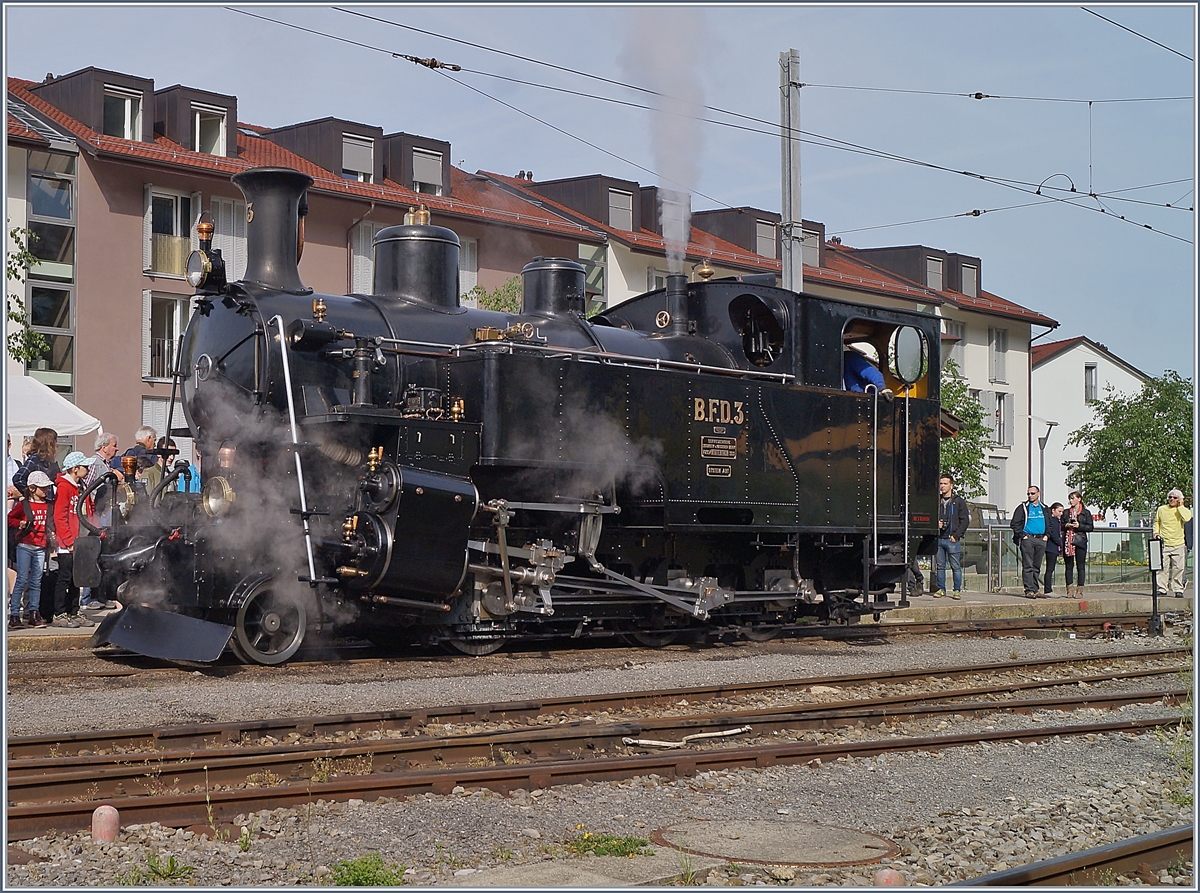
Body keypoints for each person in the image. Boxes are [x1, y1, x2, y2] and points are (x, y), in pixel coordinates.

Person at [50, 452, 98, 629]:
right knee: (65, 578)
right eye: (85, 466)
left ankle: (73, 610)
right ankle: (59, 612)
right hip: (68, 544)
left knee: (76, 579)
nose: (87, 469)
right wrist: (68, 541)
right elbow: (60, 516)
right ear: (75, 468)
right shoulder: (64, 487)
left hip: (80, 540)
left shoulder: (80, 485)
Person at [7, 470, 53, 629]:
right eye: (43, 487)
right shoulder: (24, 504)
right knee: (22, 580)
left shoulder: (48, 505)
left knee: (36, 581)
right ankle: (14, 614)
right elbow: (9, 518)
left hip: (41, 547)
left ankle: (34, 612)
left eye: (47, 487)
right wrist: (19, 523)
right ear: (32, 488)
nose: (46, 490)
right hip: (25, 545)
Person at [933, 473, 969, 599]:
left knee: (955, 566)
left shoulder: (958, 502)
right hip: (939, 538)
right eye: (941, 484)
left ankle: (956, 590)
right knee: (940, 566)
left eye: (945, 484)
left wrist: (957, 535)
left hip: (952, 539)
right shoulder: (937, 501)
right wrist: (935, 524)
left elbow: (964, 520)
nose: (942, 486)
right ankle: (941, 589)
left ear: (951, 486)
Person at [1010, 485, 1050, 598]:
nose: (1030, 496)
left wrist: (1047, 535)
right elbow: (1014, 523)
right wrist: (1022, 536)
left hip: (1041, 539)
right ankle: (1029, 590)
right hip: (1028, 539)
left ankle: (1035, 589)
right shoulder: (1023, 507)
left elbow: (1049, 523)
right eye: (1028, 493)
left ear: (1038, 494)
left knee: (1036, 566)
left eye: (1032, 493)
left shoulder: (1044, 508)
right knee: (1028, 565)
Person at [1153, 489, 1192, 598]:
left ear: (1179, 499)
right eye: (1170, 497)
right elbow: (1157, 522)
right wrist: (1156, 532)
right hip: (1164, 544)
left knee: (1179, 568)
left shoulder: (1182, 510)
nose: (1171, 499)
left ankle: (1178, 589)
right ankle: (1162, 589)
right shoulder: (1161, 509)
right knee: (1162, 568)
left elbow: (1187, 518)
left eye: (1175, 498)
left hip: (1178, 544)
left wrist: (1180, 505)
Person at [1061, 490, 1094, 598]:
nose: (1071, 501)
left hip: (1080, 540)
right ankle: (1069, 590)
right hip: (1068, 541)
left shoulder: (1086, 512)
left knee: (1081, 566)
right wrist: (1066, 524)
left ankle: (1079, 590)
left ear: (1079, 499)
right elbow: (1060, 526)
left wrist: (1079, 526)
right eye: (1070, 498)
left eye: (1073, 498)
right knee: (1069, 566)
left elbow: (1090, 527)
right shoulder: (1066, 512)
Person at [12, 427, 61, 498]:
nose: (57, 445)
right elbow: (18, 478)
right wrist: (31, 494)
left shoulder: (49, 462)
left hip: (49, 504)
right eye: (55, 441)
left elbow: (56, 481)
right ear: (48, 444)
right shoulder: (35, 459)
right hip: (37, 505)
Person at [1044, 503, 1064, 596]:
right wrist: (1060, 543)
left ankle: (1048, 589)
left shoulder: (1055, 520)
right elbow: (1054, 534)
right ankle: (1048, 590)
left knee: (1050, 569)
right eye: (1059, 511)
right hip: (1051, 547)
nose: (1061, 513)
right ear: (1053, 510)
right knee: (1050, 569)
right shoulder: (1052, 521)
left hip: (1052, 547)